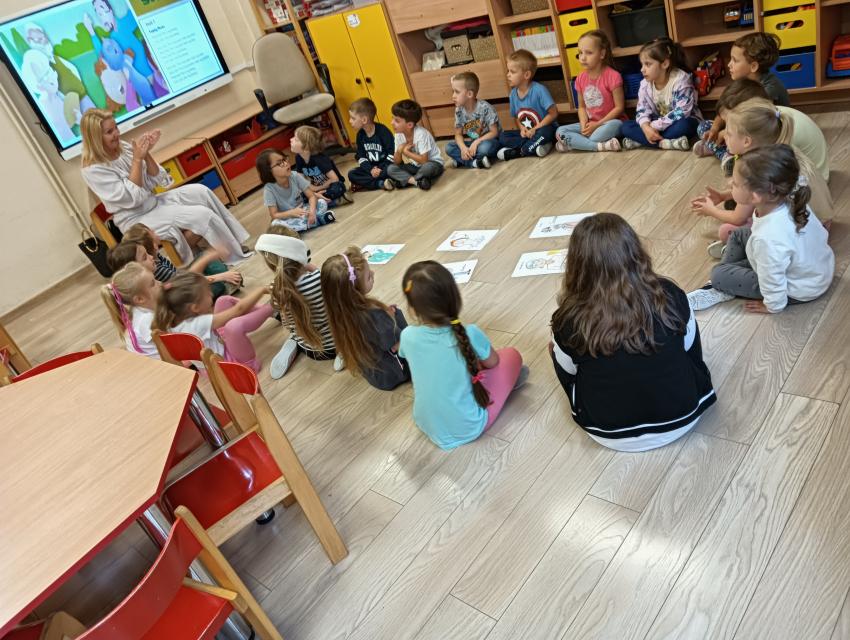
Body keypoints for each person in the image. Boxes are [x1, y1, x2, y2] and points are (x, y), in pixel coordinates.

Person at [551, 213, 716, 451]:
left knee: (557, 349)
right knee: (682, 335)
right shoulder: (669, 293)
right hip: (684, 414)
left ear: (575, 264)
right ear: (636, 253)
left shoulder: (568, 318)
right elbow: (689, 345)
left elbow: (569, 370)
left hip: (607, 431)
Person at [80, 109, 251, 265]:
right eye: (109, 132)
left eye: (116, 128)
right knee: (202, 215)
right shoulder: (93, 169)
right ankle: (222, 256)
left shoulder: (122, 147)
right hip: (136, 218)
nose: (117, 134)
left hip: (152, 202)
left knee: (201, 192)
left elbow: (155, 177)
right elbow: (132, 197)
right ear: (95, 138)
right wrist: (137, 159)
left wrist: (146, 153)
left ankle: (232, 244)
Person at [687, 145, 834, 313]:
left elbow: (772, 279)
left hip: (797, 287)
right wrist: (723, 196)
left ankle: (721, 288)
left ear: (755, 196)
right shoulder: (788, 198)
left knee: (718, 274)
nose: (729, 183)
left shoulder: (768, 238)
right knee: (738, 234)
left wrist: (772, 305)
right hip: (815, 269)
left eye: (735, 184)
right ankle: (733, 273)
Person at [399, 261, 528, 449]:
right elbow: (493, 362)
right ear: (455, 298)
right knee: (512, 355)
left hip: (425, 422)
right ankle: (508, 383)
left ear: (412, 308)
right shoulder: (470, 333)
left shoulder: (407, 336)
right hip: (468, 427)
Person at [691, 97, 832, 255]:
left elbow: (738, 217)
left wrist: (711, 210)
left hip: (805, 235)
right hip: (819, 224)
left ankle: (738, 250)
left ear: (747, 141)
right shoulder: (780, 151)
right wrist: (724, 196)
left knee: (726, 230)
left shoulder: (755, 168)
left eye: (729, 134)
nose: (725, 137)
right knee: (741, 206)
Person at [693, 79, 829, 181]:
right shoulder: (769, 119)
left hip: (807, 184)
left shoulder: (774, 135)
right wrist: (720, 131)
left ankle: (724, 153)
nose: (726, 128)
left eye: (728, 123)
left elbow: (768, 184)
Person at [321, 247, 411, 390]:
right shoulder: (376, 317)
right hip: (393, 375)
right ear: (354, 291)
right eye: (369, 276)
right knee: (400, 318)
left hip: (374, 374)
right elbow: (400, 347)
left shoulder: (339, 314)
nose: (373, 273)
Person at [257, 230, 342, 378]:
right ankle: (345, 352)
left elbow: (287, 324)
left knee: (292, 321)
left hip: (309, 348)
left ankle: (294, 343)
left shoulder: (275, 289)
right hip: (334, 346)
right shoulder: (319, 278)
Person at [152, 271, 273, 372]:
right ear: (195, 307)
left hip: (214, 358)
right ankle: (273, 307)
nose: (211, 293)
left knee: (223, 301)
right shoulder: (197, 324)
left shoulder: (173, 320)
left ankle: (268, 310)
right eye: (207, 293)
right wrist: (262, 290)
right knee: (234, 326)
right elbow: (238, 310)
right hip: (233, 368)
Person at [107, 226, 242, 300]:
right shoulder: (157, 270)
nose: (155, 232)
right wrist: (222, 276)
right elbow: (186, 280)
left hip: (184, 283)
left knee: (203, 257)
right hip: (187, 294)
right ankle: (225, 284)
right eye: (152, 232)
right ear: (154, 245)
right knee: (214, 275)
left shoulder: (155, 258)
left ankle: (225, 278)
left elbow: (180, 273)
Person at [621, 37, 701, 151]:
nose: (642, 69)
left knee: (684, 126)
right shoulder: (645, 84)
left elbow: (682, 112)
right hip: (658, 122)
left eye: (648, 64)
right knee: (625, 127)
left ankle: (643, 141)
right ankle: (666, 143)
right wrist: (645, 127)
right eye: (642, 64)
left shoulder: (681, 80)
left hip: (681, 121)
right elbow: (642, 110)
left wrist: (654, 126)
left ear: (665, 64)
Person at [555, 30, 625, 153]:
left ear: (602, 54)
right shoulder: (580, 78)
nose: (582, 57)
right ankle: (600, 146)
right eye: (580, 53)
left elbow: (619, 108)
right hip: (590, 124)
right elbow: (581, 107)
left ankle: (575, 144)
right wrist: (583, 125)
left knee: (614, 125)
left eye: (589, 53)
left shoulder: (613, 76)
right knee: (560, 131)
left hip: (609, 123)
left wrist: (598, 125)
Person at [496, 49, 557, 161]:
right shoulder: (513, 94)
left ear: (526, 74)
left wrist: (535, 129)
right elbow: (517, 117)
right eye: (508, 71)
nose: (508, 75)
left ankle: (520, 152)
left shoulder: (539, 90)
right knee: (503, 137)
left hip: (543, 129)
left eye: (512, 72)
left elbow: (553, 114)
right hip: (529, 134)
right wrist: (522, 129)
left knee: (545, 132)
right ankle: (538, 146)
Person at [256, 148, 336, 233]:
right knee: (275, 224)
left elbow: (311, 196)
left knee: (321, 202)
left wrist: (312, 212)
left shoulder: (295, 176)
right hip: (288, 218)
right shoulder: (269, 189)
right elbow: (274, 214)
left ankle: (306, 225)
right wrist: (291, 213)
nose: (286, 163)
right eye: (280, 163)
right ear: (268, 171)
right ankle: (319, 220)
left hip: (303, 211)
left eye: (284, 159)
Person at [102, 262, 160, 357]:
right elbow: (172, 345)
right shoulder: (147, 319)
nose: (159, 283)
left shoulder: (138, 311)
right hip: (163, 364)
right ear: (140, 299)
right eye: (153, 283)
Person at [445, 71, 501, 169]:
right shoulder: (459, 110)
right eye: (452, 91)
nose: (453, 96)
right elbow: (458, 134)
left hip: (489, 141)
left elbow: (494, 132)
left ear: (469, 94)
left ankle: (464, 161)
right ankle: (475, 162)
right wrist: (463, 148)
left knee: (484, 149)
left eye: (457, 92)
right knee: (449, 147)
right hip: (473, 144)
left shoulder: (485, 108)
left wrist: (477, 142)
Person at [387, 99, 444, 190]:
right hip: (416, 167)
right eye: (392, 118)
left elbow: (424, 161)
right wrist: (399, 151)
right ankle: (418, 182)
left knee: (427, 168)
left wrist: (407, 152)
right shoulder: (398, 135)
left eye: (397, 121)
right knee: (391, 169)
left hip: (433, 164)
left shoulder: (421, 134)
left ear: (409, 125)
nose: (392, 122)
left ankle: (404, 181)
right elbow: (397, 162)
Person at [290, 125, 351, 205]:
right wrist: (312, 189)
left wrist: (317, 189)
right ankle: (328, 201)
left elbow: (334, 179)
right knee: (297, 197)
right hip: (317, 189)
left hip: (332, 185)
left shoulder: (319, 159)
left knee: (337, 188)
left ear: (306, 147)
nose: (291, 139)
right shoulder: (298, 157)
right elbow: (300, 180)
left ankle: (328, 200)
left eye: (296, 139)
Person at [346, 97, 395, 191]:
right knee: (352, 174)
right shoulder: (360, 135)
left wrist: (380, 169)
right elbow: (361, 157)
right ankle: (380, 184)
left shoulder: (383, 131)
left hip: (385, 166)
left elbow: (392, 153)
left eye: (353, 118)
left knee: (392, 169)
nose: (350, 121)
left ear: (364, 120)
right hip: (371, 169)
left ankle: (370, 183)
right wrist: (371, 169)